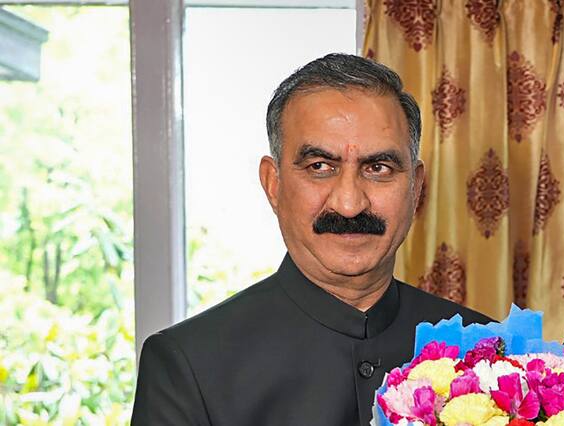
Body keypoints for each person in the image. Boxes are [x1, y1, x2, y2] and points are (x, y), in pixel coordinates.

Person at [131, 53, 491, 426]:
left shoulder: (489, 354)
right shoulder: (190, 366)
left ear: (415, 188)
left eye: (378, 168)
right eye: (320, 167)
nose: (349, 204)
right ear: (273, 184)